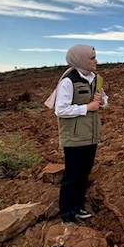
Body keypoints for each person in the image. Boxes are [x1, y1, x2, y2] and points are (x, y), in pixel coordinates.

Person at [53, 45, 108, 225]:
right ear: (81, 60)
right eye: (92, 58)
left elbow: (104, 101)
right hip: (75, 137)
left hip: (91, 134)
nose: (96, 61)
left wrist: (101, 101)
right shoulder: (69, 81)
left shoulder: (95, 78)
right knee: (72, 174)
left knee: (84, 173)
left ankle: (79, 207)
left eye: (95, 57)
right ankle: (66, 214)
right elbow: (60, 109)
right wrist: (87, 108)